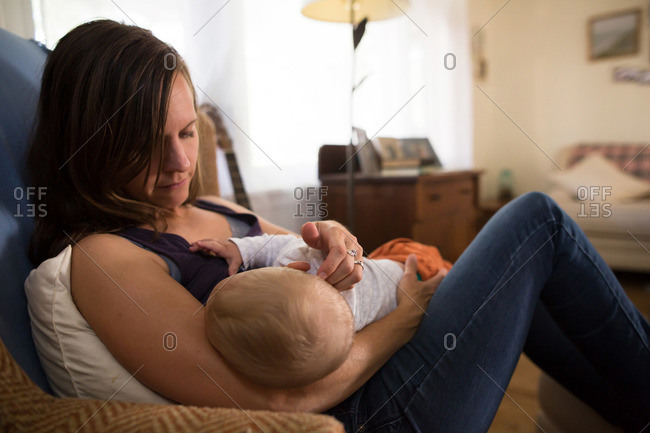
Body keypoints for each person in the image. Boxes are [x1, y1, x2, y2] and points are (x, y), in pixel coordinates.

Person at [27, 19, 648, 432]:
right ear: (89, 146)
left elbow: (306, 257)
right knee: (535, 221)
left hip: (383, 359)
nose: (182, 163)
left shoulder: (209, 208)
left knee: (520, 268)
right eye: (147, 145)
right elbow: (270, 400)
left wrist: (340, 246)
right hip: (366, 412)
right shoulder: (109, 258)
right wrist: (403, 321)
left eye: (187, 133)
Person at [194, 234, 450, 389]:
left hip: (396, 265)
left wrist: (238, 247)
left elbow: (280, 243)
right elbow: (277, 243)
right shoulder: (332, 334)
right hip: (411, 273)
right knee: (447, 277)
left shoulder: (340, 330)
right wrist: (242, 249)